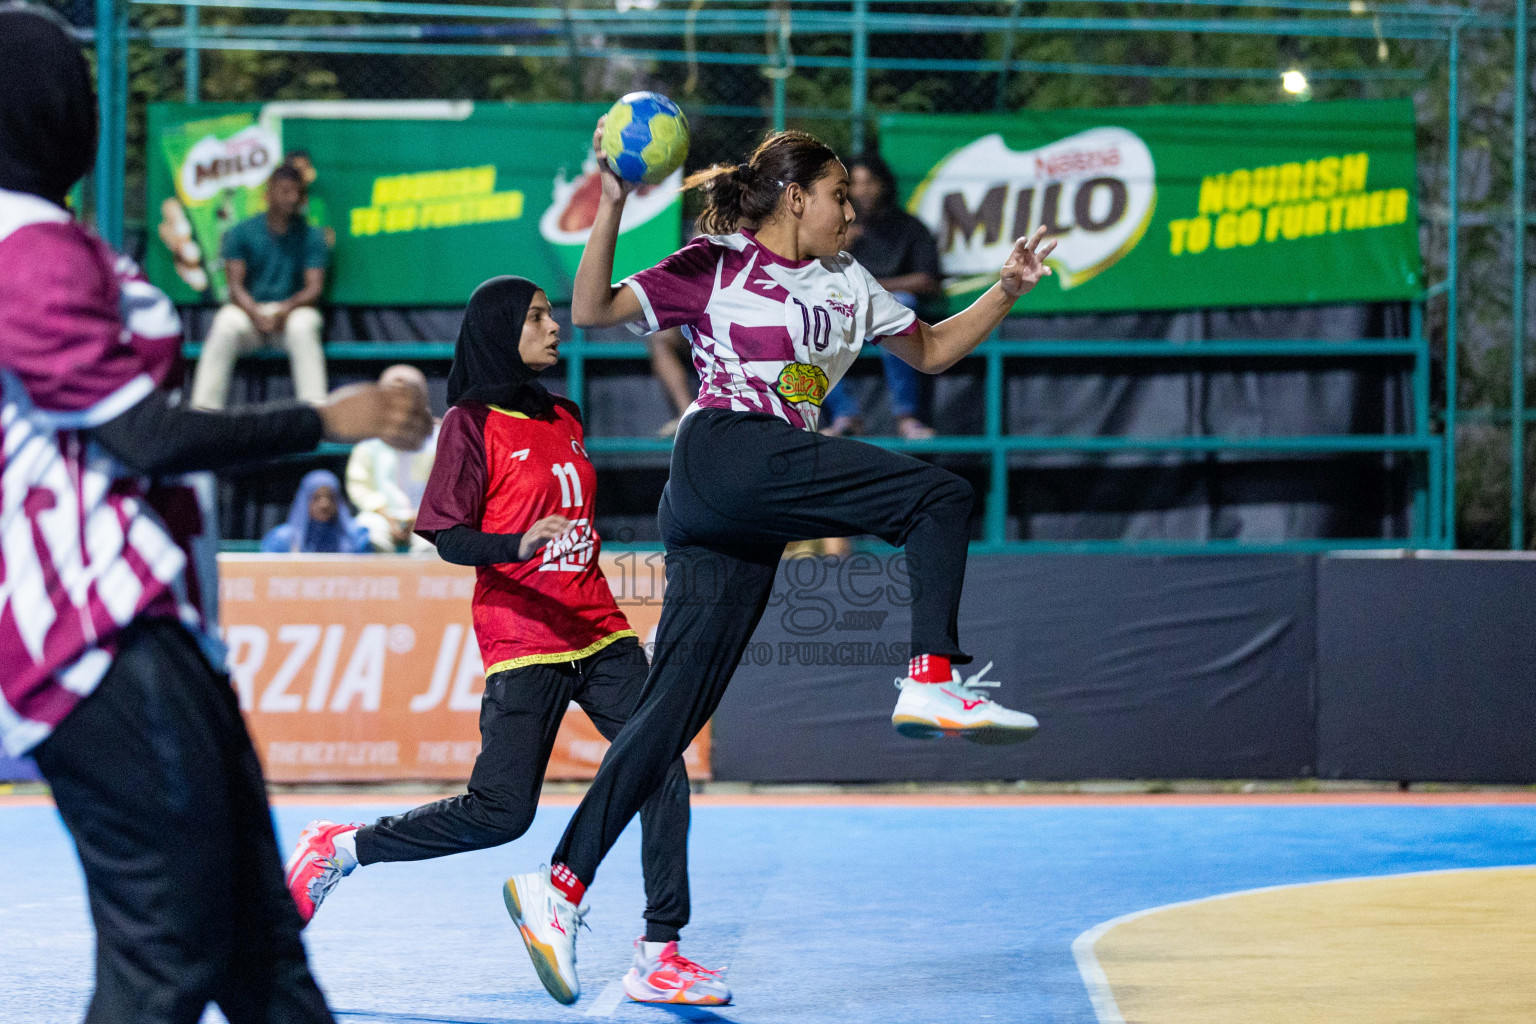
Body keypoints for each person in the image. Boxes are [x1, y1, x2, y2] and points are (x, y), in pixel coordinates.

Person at [503, 124, 1057, 1004]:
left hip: (746, 501)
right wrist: (611, 202)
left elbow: (937, 349)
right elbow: (593, 309)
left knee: (666, 719)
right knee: (939, 498)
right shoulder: (715, 263)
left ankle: (560, 888)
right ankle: (931, 676)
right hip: (727, 453)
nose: (854, 209)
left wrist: (1007, 289)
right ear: (795, 197)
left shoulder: (850, 282)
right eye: (840, 194)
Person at [0, 10, 434, 1023]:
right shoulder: (29, 245)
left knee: (262, 960)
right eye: (75, 87)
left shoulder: (42, 239)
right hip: (104, 635)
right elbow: (141, 436)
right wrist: (325, 416)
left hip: (154, 631)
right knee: (169, 958)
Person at [284, 278, 729, 1008]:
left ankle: (660, 950)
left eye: (552, 314)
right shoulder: (468, 422)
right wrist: (515, 542)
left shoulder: (567, 414)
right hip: (522, 634)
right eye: (536, 317)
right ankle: (341, 846)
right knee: (500, 814)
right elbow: (447, 537)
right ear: (498, 331)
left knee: (662, 769)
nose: (555, 327)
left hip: (600, 626)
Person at [819, 151, 946, 440]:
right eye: (856, 183)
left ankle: (907, 417)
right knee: (812, 318)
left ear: (884, 185)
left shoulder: (908, 227)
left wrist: (876, 287)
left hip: (888, 307)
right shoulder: (835, 229)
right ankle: (844, 416)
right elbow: (812, 278)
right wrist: (838, 246)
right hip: (844, 309)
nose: (863, 191)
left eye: (870, 182)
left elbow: (927, 280)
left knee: (900, 305)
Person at [190, 163, 329, 410]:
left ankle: (315, 415)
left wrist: (285, 310)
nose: (292, 198)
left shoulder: (313, 236)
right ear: (269, 194)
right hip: (250, 313)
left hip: (291, 313)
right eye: (285, 191)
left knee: (304, 325)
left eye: (297, 193)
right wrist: (255, 313)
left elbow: (313, 289)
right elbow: (234, 287)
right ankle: (203, 414)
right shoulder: (241, 233)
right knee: (225, 323)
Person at [346, 364, 440, 552]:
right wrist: (387, 515)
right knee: (369, 535)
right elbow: (359, 486)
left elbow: (448, 487)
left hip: (428, 515)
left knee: (431, 542)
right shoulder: (370, 442)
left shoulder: (440, 439)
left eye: (408, 394)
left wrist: (419, 516)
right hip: (381, 515)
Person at [261, 468, 373, 554]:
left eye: (331, 497)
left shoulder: (356, 537)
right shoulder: (282, 539)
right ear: (304, 501)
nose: (324, 504)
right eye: (316, 497)